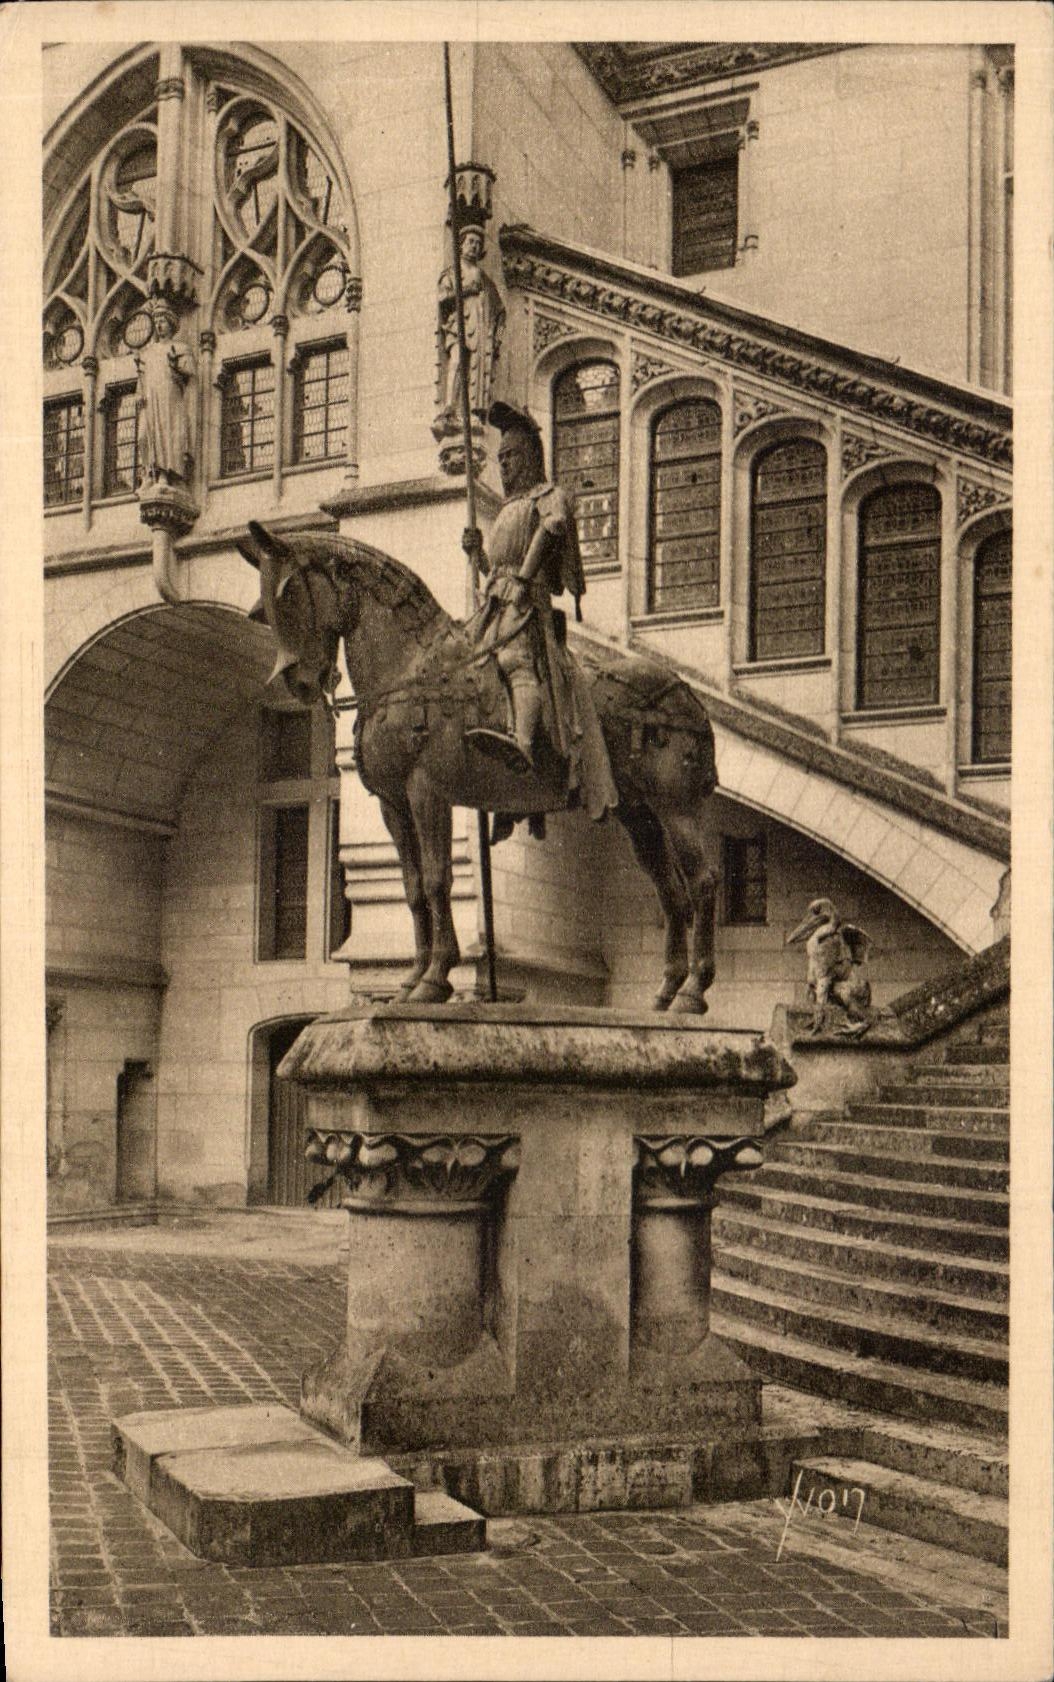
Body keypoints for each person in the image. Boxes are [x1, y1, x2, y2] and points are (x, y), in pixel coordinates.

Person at [464, 402, 617, 827]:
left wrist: (524, 578)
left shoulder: (550, 495)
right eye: (500, 459)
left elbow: (553, 528)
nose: (504, 466)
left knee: (515, 661)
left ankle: (524, 747)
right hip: (495, 602)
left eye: (511, 457)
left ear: (531, 456)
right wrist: (477, 552)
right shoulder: (507, 509)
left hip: (528, 605)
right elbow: (494, 567)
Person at [435, 223, 505, 426]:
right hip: (459, 326)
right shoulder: (452, 273)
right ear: (461, 245)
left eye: (478, 243)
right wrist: (466, 290)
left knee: (477, 367)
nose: (474, 246)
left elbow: (501, 310)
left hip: (481, 330)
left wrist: (498, 337)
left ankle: (474, 411)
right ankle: (450, 407)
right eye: (470, 242)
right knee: (456, 361)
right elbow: (443, 298)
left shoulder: (485, 279)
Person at [135, 300, 195, 486]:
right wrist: (138, 393)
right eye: (156, 322)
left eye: (162, 321)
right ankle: (149, 472)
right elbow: (142, 378)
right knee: (144, 435)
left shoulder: (181, 348)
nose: (159, 325)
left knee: (167, 433)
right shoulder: (148, 352)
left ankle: (165, 474)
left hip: (169, 394)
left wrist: (175, 364)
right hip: (150, 397)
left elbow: (191, 372)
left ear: (171, 324)